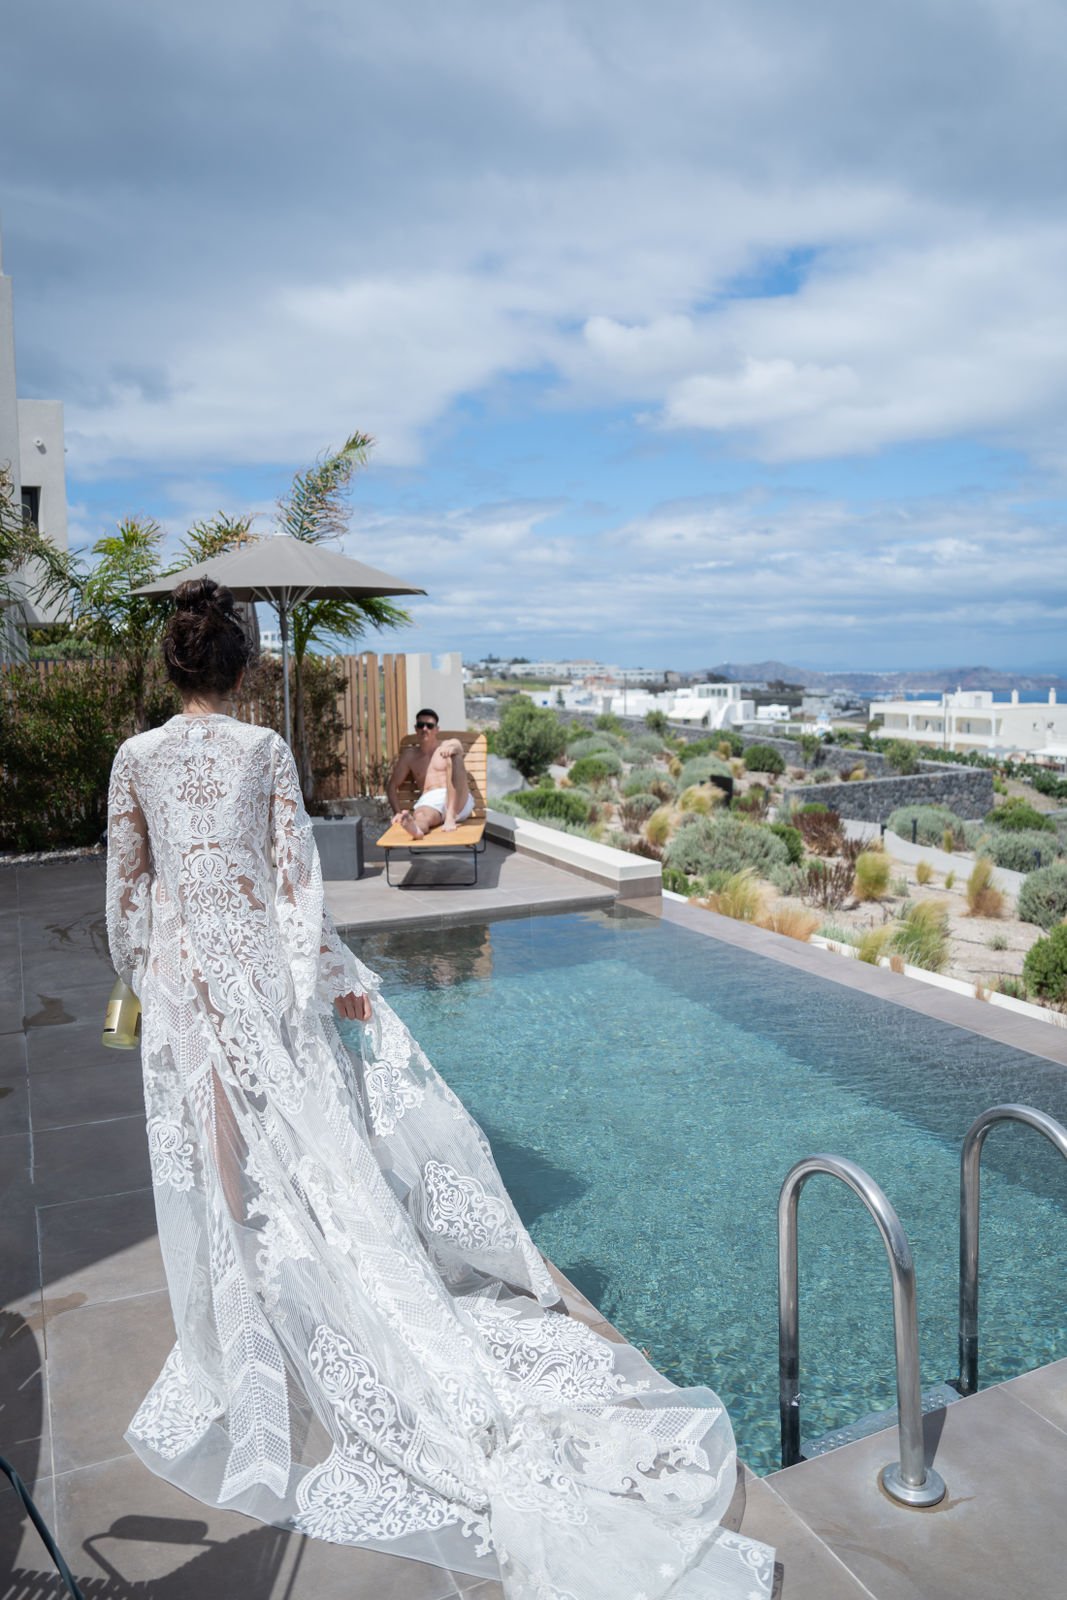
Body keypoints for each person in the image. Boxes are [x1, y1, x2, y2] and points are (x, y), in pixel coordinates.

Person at [105, 578, 772, 1600]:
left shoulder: (135, 759)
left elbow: (125, 892)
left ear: (172, 668)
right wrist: (316, 989)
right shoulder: (263, 752)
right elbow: (297, 888)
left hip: (183, 979)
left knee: (217, 1155)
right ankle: (290, 1299)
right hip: (257, 980)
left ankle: (242, 1318)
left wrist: (146, 970)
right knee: (307, 1156)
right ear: (240, 669)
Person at [387, 708, 475, 836]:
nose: (424, 729)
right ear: (416, 728)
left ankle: (450, 816)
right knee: (422, 816)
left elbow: (458, 747)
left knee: (455, 756)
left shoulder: (447, 744)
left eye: (429, 726)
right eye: (420, 725)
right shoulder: (409, 756)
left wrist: (451, 749)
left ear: (436, 729)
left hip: (458, 800)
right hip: (431, 800)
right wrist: (397, 812)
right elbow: (392, 786)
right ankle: (416, 830)